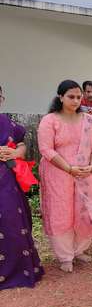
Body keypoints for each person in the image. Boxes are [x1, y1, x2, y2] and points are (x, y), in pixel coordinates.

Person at [38, 80, 92, 273]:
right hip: (58, 173)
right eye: (71, 96)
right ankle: (65, 256)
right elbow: (46, 149)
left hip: (85, 173)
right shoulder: (50, 120)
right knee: (61, 212)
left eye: (79, 97)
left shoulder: (89, 121)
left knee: (84, 210)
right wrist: (69, 168)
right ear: (60, 97)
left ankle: (79, 250)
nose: (76, 100)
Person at [0, 86, 44, 289]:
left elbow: (21, 145)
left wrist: (15, 154)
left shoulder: (8, 123)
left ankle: (18, 269)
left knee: (12, 220)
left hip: (6, 180)